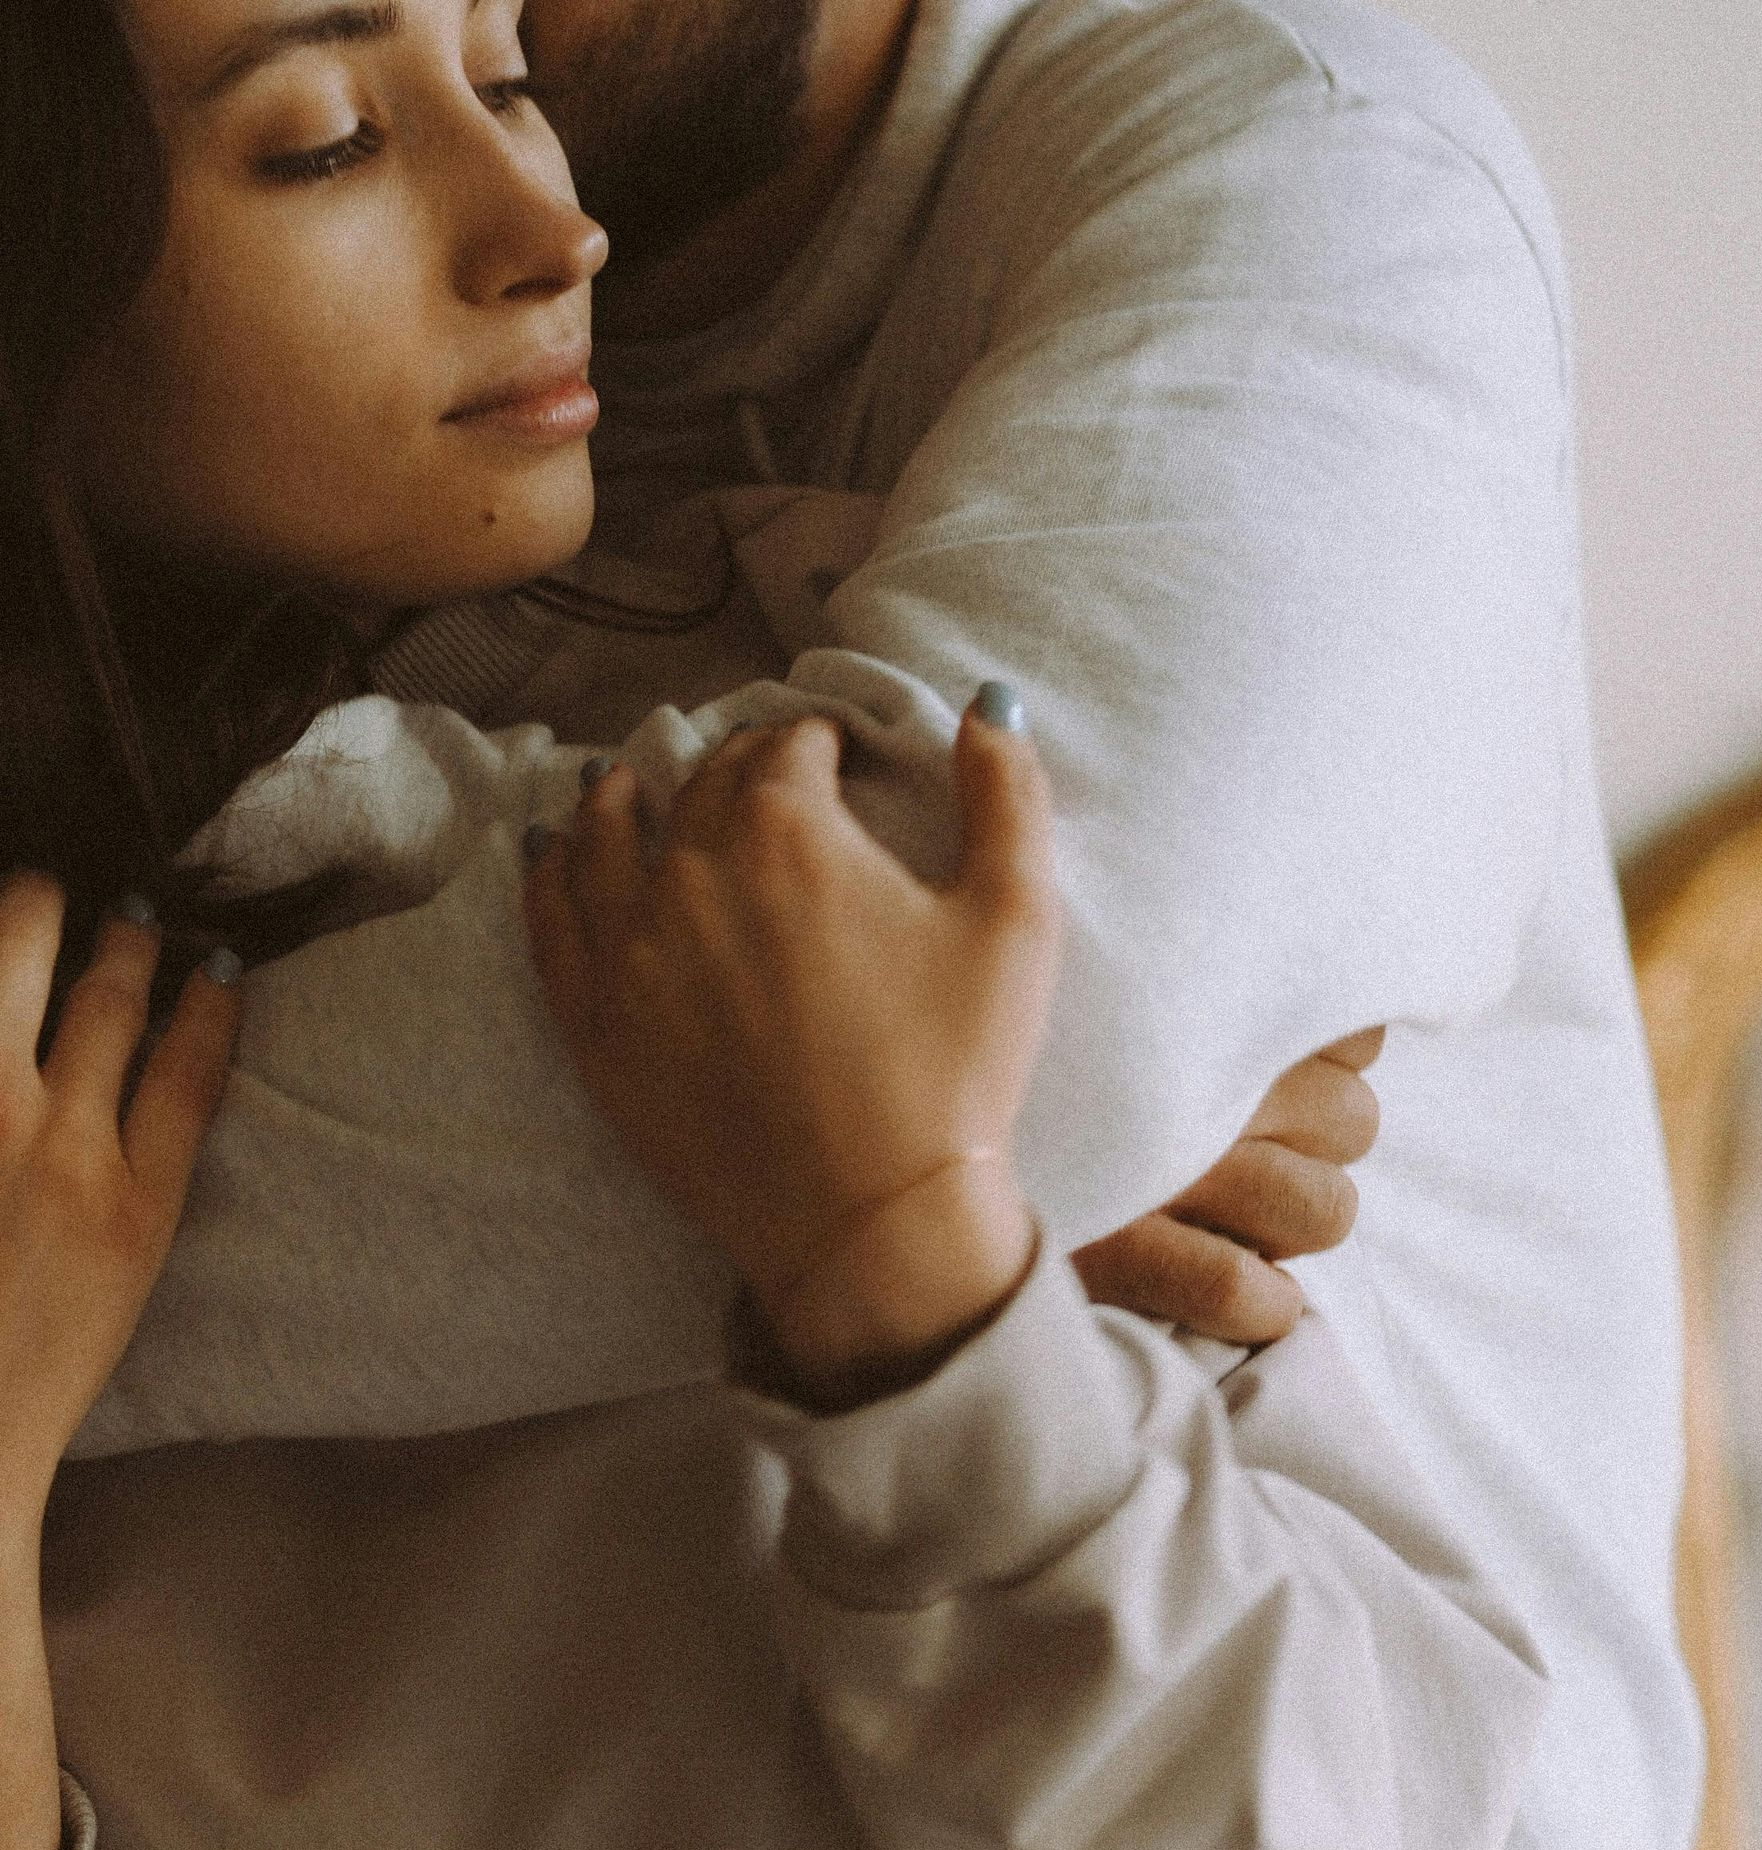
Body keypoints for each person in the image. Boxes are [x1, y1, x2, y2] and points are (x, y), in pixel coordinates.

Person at [0, 3, 1694, 1850]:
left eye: (502, 74)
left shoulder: (741, 700)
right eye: (326, 137)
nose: (551, 226)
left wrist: (904, 1262)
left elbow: (1306, 1795)